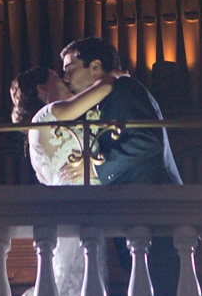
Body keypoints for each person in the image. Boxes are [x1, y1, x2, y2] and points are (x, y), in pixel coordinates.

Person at [7, 64, 115, 296]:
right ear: (43, 90)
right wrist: (111, 76)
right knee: (76, 295)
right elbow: (103, 90)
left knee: (78, 294)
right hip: (75, 218)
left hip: (77, 216)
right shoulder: (47, 116)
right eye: (58, 77)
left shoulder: (42, 132)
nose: (65, 80)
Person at [59, 36, 183, 185]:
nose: (65, 78)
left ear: (95, 67)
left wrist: (98, 169)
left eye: (70, 70)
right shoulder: (97, 102)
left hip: (151, 197)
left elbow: (147, 139)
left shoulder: (123, 88)